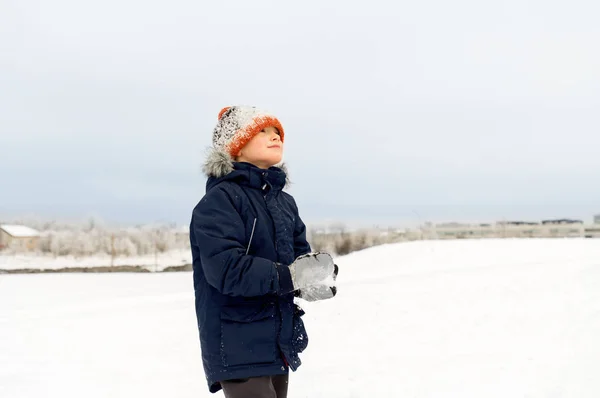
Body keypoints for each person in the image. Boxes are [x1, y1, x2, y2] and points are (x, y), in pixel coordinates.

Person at [190, 106, 338, 397]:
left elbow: (297, 260)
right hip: (236, 339)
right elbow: (226, 270)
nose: (275, 137)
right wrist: (290, 277)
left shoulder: (284, 202)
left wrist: (312, 278)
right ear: (236, 145)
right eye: (262, 131)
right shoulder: (219, 201)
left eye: (277, 132)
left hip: (277, 337)